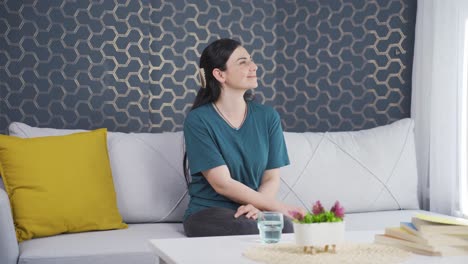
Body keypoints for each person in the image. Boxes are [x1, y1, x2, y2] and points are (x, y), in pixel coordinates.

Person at [182, 38, 304, 237]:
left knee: (284, 226)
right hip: (207, 212)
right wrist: (281, 207)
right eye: (243, 62)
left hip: (251, 211)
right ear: (220, 74)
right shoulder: (198, 120)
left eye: (251, 60)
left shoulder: (268, 117)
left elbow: (271, 178)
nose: (254, 66)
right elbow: (222, 183)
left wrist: (257, 206)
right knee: (252, 228)